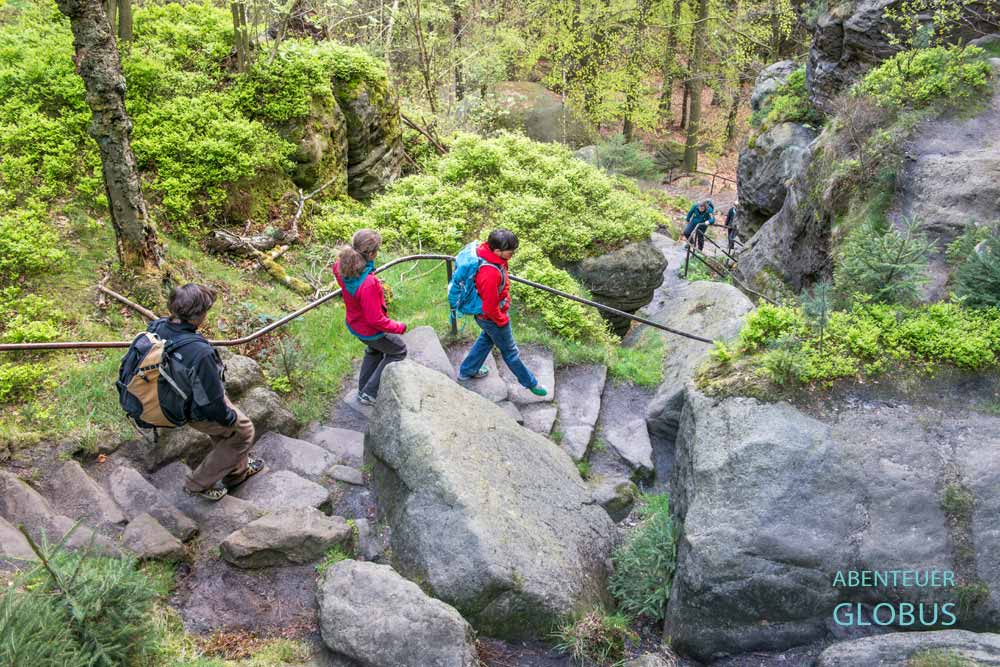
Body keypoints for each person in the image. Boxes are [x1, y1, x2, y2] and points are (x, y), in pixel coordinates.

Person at [149, 284, 263, 502]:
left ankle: (236, 474)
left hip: (173, 397)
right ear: (197, 316)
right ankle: (198, 484)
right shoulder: (199, 352)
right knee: (243, 431)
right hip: (197, 408)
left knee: (224, 433)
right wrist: (228, 417)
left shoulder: (158, 326)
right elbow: (211, 405)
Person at [457, 229, 548, 397]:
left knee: (487, 340)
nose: (513, 254)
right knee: (511, 352)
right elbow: (490, 306)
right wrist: (501, 320)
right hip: (492, 318)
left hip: (486, 318)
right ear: (497, 251)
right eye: (510, 251)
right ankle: (531, 383)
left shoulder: (489, 255)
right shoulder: (490, 273)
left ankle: (467, 370)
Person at [332, 229, 408, 406]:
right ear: (372, 253)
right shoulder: (368, 284)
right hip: (370, 331)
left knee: (374, 351)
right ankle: (369, 393)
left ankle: (362, 389)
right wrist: (399, 327)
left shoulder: (341, 266)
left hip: (355, 323)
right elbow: (376, 320)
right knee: (398, 350)